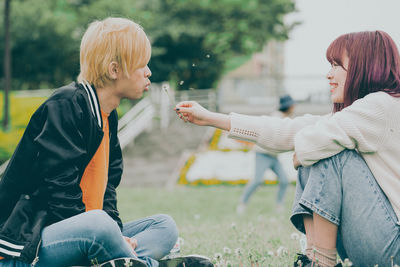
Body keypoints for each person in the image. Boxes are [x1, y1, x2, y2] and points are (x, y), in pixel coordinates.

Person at [175, 30, 400, 266]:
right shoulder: (360, 114)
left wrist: (301, 153)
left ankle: (319, 261)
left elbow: (310, 141)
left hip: (392, 246)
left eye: (336, 65)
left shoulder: (382, 106)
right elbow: (288, 131)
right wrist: (211, 118)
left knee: (327, 150)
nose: (329, 74)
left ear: (362, 67)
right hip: (380, 242)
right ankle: (313, 257)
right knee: (321, 143)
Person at [0, 17, 212, 267]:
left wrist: (117, 235)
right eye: (141, 65)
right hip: (27, 244)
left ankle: (121, 260)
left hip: (86, 234)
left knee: (164, 226)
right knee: (99, 224)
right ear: (114, 70)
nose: (149, 72)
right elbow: (60, 190)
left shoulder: (108, 116)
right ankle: (141, 263)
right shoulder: (67, 106)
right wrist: (110, 234)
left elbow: (107, 190)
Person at [236, 95, 295, 214]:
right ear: (288, 106)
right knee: (257, 180)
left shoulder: (286, 118)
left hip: (273, 156)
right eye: (292, 105)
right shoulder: (277, 117)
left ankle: (279, 205)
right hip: (262, 154)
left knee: (284, 180)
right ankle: (242, 203)